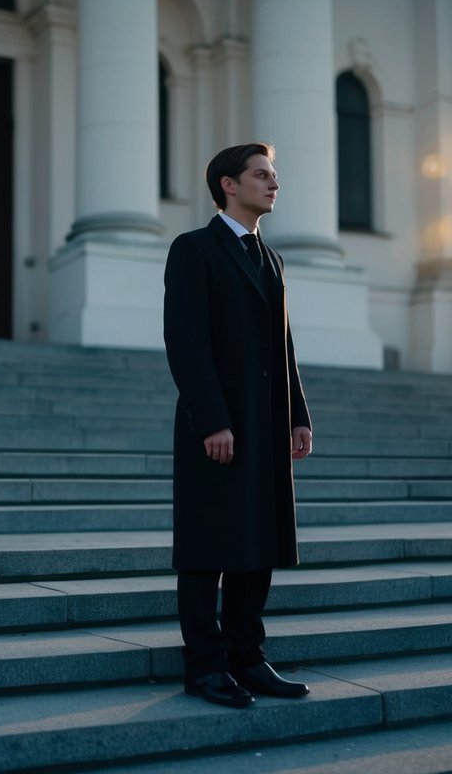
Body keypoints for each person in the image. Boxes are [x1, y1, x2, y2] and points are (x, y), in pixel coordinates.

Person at [162, 142, 313, 708]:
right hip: (218, 426)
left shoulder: (271, 259)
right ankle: (204, 667)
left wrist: (297, 413)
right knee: (207, 548)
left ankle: (247, 658)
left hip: (267, 423)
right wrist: (213, 421)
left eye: (275, 175)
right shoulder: (194, 249)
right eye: (261, 175)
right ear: (228, 184)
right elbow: (186, 342)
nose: (273, 184)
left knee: (258, 541)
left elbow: (284, 345)